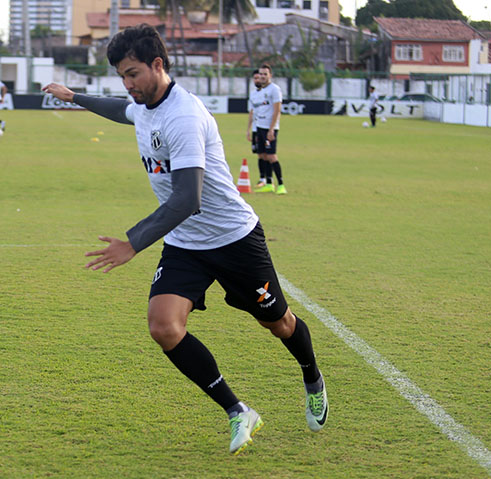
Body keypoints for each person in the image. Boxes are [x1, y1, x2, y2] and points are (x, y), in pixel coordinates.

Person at [42, 24, 327, 456]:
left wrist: (132, 243)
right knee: (164, 327)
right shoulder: (144, 104)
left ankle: (311, 375)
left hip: (234, 239)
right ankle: (237, 411)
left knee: (279, 324)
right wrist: (76, 98)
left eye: (133, 73)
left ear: (158, 65)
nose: (128, 84)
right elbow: (122, 110)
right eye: (122, 75)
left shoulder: (184, 116)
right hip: (186, 243)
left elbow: (187, 198)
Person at [247, 65, 286, 194]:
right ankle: (269, 183)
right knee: (263, 155)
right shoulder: (260, 92)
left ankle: (281, 185)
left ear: (270, 75)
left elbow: (277, 110)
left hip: (269, 128)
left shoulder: (274, 90)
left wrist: (272, 129)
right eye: (261, 74)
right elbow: (255, 111)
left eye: (265, 74)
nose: (262, 77)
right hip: (259, 127)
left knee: (272, 156)